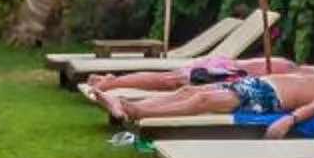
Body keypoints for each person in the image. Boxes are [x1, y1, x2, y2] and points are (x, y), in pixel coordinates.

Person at [105, 56, 314, 138]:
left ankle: (140, 113)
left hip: (267, 97)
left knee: (202, 102)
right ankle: (134, 105)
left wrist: (289, 120)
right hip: (255, 84)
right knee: (189, 91)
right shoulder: (313, 70)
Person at [83, 53, 302, 117]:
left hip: (222, 68)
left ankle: (120, 93)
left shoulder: (294, 73)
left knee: (179, 85)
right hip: (224, 71)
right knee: (173, 81)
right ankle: (115, 85)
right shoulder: (293, 71)